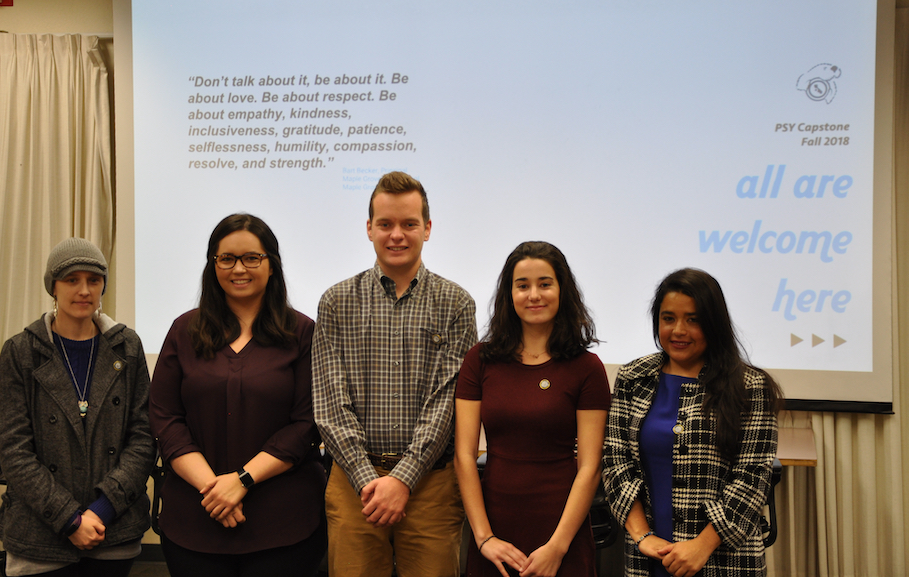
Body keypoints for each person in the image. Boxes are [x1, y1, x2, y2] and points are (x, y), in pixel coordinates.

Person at [312, 171, 478, 577]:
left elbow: (447, 402)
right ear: (369, 229)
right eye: (385, 224)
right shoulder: (336, 302)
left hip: (431, 486)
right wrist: (369, 479)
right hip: (355, 485)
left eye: (409, 224)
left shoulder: (456, 303)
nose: (397, 235)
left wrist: (402, 479)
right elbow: (330, 404)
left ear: (427, 228)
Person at [149, 213, 325, 577]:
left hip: (284, 523)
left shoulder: (302, 332)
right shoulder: (184, 330)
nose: (238, 268)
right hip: (196, 515)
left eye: (251, 258)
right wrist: (215, 489)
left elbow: (307, 423)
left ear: (271, 265)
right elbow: (165, 417)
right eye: (226, 258)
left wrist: (242, 480)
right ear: (213, 265)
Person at [602, 268, 782, 577]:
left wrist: (702, 545)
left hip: (723, 559)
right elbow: (615, 461)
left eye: (693, 319)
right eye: (668, 318)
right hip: (649, 558)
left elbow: (753, 477)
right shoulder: (633, 378)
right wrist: (642, 536)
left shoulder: (750, 386)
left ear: (713, 324)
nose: (678, 330)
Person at [0, 237, 155, 577]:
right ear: (53, 286)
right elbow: (14, 451)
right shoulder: (21, 352)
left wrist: (102, 509)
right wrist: (68, 519)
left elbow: (143, 439)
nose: (84, 290)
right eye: (72, 280)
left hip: (111, 530)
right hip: (40, 534)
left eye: (93, 280)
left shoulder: (127, 347)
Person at [454, 241, 610, 577]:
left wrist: (558, 546)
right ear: (509, 294)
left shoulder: (587, 367)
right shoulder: (479, 360)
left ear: (562, 290)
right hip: (494, 528)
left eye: (545, 283)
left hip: (562, 530)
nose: (533, 295)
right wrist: (484, 538)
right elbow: (464, 456)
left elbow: (591, 466)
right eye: (522, 286)